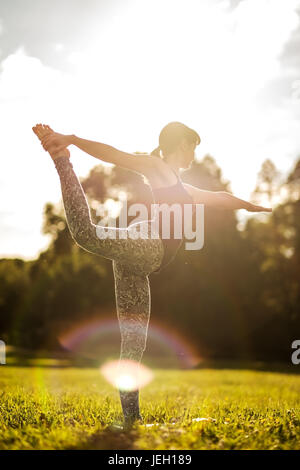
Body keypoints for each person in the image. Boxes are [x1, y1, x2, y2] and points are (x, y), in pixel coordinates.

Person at [32, 122, 271, 428]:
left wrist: (252, 207)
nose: (194, 154)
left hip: (142, 261)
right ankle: (61, 159)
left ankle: (131, 419)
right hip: (147, 245)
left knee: (134, 339)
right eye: (193, 146)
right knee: (85, 234)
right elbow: (115, 155)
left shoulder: (182, 186)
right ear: (181, 144)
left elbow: (219, 196)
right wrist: (72, 140)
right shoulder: (159, 168)